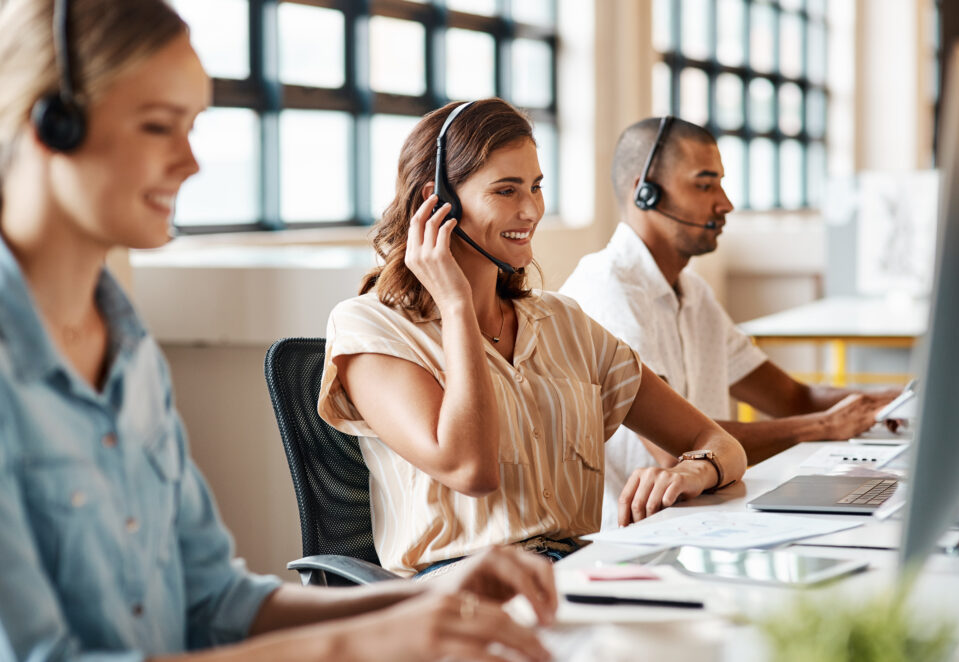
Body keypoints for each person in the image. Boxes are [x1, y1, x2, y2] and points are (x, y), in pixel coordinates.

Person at [0, 1, 559, 661]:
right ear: (53, 125)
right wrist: (359, 645)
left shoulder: (127, 350)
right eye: (158, 127)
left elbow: (218, 604)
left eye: (194, 128)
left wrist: (422, 597)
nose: (191, 163)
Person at [317, 98, 747, 577]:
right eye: (505, 190)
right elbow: (470, 469)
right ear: (434, 203)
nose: (530, 211)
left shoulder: (563, 322)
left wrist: (696, 468)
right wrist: (456, 305)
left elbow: (719, 442)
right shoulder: (370, 327)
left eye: (536, 187)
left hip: (575, 570)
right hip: (458, 587)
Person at [559, 116, 901, 530]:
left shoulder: (693, 292)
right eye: (705, 185)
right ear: (645, 192)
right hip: (639, 535)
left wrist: (890, 400)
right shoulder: (607, 290)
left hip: (708, 519)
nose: (725, 203)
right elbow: (676, 452)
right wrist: (824, 427)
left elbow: (792, 398)